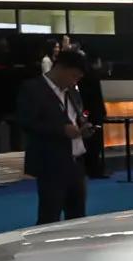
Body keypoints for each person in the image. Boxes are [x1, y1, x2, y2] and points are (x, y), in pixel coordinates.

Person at [14, 46, 97, 224]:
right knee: (49, 216)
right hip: (51, 163)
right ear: (61, 68)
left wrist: (83, 128)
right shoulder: (33, 89)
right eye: (73, 76)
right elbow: (26, 122)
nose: (74, 81)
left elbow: (77, 116)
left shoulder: (72, 91)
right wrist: (61, 129)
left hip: (76, 162)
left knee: (78, 217)